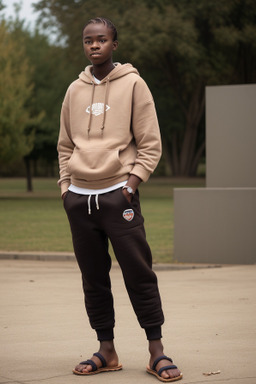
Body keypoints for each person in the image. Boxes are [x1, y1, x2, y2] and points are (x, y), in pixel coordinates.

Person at [57, 17, 182, 382]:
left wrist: (130, 185)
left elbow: (150, 143)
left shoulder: (134, 85)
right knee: (93, 279)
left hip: (117, 195)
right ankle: (106, 350)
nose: (94, 46)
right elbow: (65, 145)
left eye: (101, 40)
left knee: (138, 273)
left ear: (115, 44)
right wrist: (66, 189)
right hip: (79, 199)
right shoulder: (73, 91)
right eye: (88, 41)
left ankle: (156, 350)